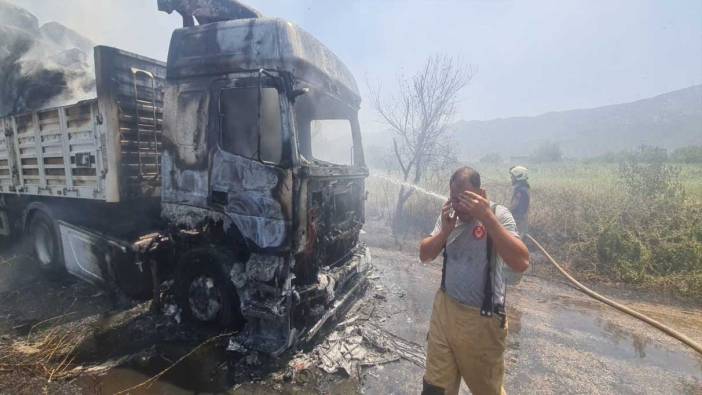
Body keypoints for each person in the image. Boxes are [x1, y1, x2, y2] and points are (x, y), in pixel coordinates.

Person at [419, 166, 529, 395]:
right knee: (434, 389)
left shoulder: (498, 216)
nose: (460, 206)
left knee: (487, 390)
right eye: (455, 199)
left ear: (481, 194)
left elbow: (521, 262)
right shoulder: (449, 217)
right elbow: (424, 255)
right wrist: (444, 232)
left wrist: (486, 217)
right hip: (444, 312)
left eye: (466, 198)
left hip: (482, 321)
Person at [509, 165, 530, 239]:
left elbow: (515, 204)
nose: (511, 178)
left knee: (515, 239)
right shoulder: (525, 188)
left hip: (518, 219)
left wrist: (506, 212)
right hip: (522, 219)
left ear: (518, 176)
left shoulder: (520, 190)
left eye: (512, 177)